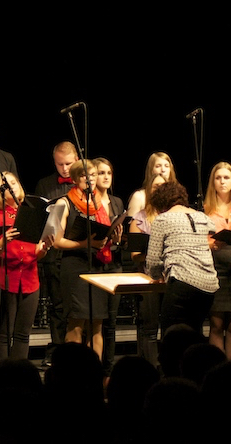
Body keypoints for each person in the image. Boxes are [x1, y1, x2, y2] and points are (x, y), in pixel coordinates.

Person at [51, 159, 118, 361]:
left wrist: (114, 237)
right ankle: (72, 370)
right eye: (84, 175)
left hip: (97, 265)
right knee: (77, 322)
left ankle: (93, 371)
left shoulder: (99, 203)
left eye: (93, 175)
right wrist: (84, 243)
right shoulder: (63, 203)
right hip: (74, 267)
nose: (90, 179)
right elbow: (56, 241)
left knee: (97, 323)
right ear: (74, 179)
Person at [0, 172, 47, 361]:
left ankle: (20, 372)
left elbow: (36, 253)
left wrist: (44, 248)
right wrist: (3, 242)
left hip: (30, 279)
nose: (12, 186)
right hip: (4, 280)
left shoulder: (31, 214)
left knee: (23, 334)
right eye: (6, 184)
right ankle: (2, 373)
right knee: (3, 334)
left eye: (14, 182)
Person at [146, 181, 218, 336]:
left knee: (172, 337)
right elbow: (212, 228)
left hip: (182, 283)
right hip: (208, 288)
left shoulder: (162, 219)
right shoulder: (202, 217)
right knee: (193, 335)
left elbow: (153, 261)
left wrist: (157, 276)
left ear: (160, 203)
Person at [127, 151, 177, 367]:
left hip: (172, 277)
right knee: (148, 327)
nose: (159, 191)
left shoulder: (176, 216)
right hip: (147, 276)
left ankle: (169, 367)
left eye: (163, 188)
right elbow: (134, 253)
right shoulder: (141, 217)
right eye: (155, 188)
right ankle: (149, 369)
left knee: (170, 327)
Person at [34, 141, 79, 367]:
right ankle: (58, 350)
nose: (65, 169)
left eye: (69, 164)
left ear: (77, 160)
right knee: (57, 305)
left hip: (78, 252)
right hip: (53, 254)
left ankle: (79, 350)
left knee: (78, 305)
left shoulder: (85, 182)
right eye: (60, 164)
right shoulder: (45, 184)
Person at [93, 156, 125, 371]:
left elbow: (120, 237)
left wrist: (118, 239)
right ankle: (94, 368)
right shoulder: (88, 201)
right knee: (96, 321)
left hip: (114, 263)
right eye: (101, 173)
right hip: (95, 263)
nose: (105, 177)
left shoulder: (117, 202)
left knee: (112, 322)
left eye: (108, 173)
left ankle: (109, 370)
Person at [205, 162, 231, 357]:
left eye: (227, 177)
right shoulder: (205, 209)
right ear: (212, 182)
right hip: (215, 271)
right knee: (216, 324)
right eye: (218, 178)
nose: (222, 181)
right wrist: (211, 244)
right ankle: (217, 369)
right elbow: (198, 240)